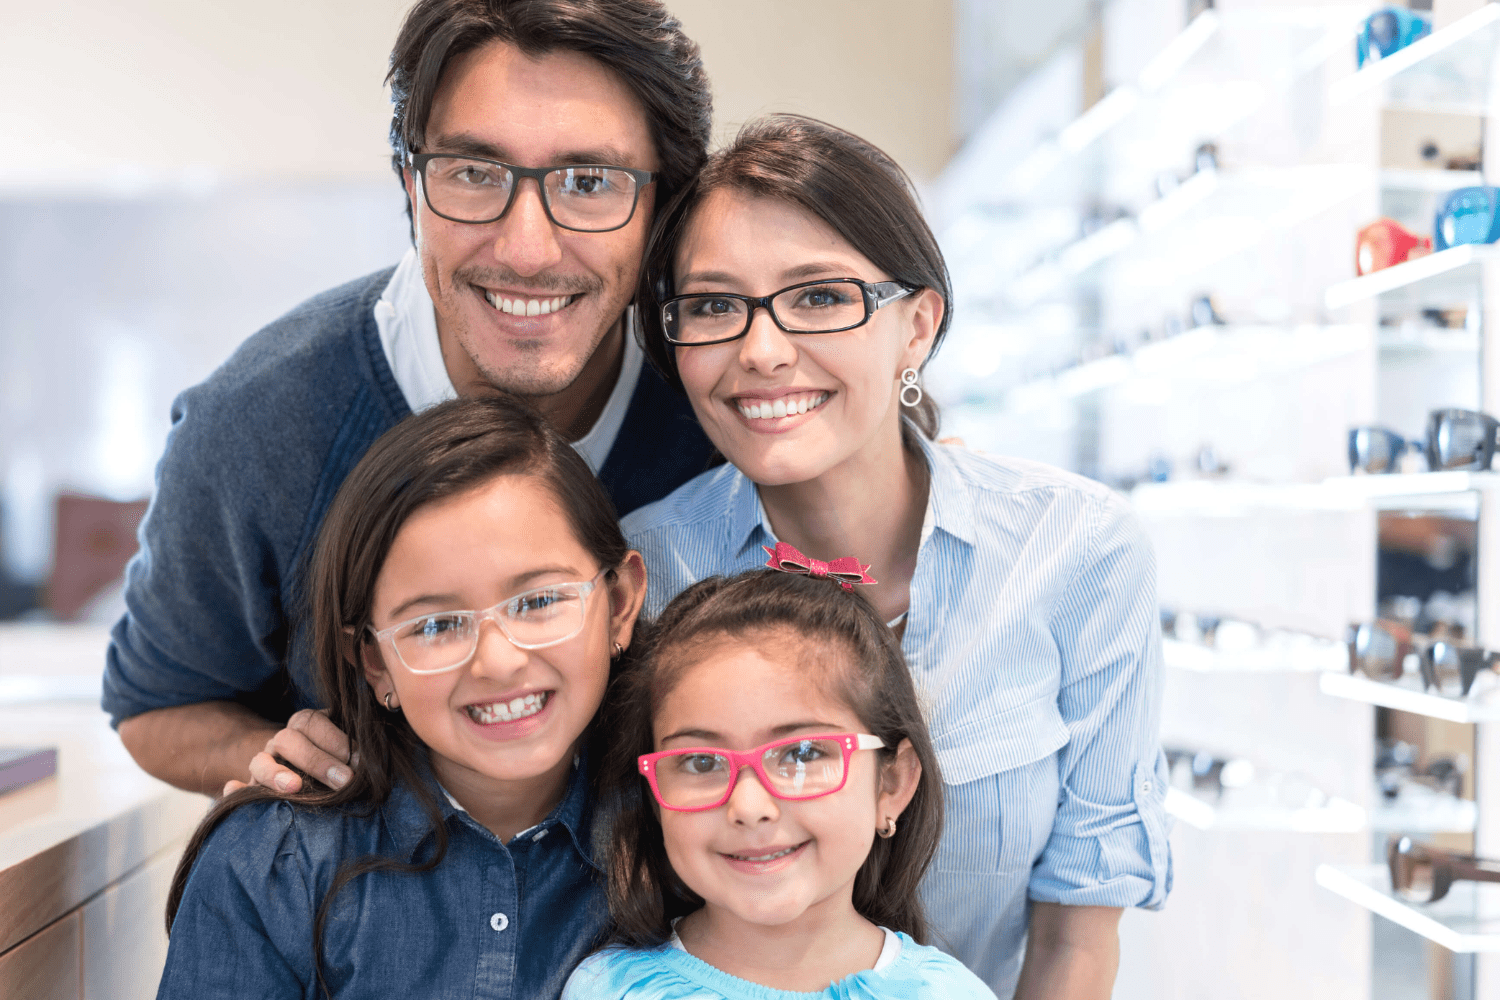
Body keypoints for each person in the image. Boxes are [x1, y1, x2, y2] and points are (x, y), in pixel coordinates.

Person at [619, 114, 1171, 998]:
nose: (761, 351)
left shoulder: (1078, 553)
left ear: (917, 328)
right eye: (716, 307)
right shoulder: (642, 572)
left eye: (819, 297)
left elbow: (1075, 938)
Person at [103, 0, 714, 797]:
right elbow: (158, 704)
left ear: (664, 207)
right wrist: (286, 758)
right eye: (472, 173)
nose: (527, 249)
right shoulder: (259, 425)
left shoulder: (721, 394)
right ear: (410, 185)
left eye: (590, 181)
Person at [158, 394, 647, 999]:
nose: (497, 661)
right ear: (374, 662)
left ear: (620, 604)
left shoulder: (689, 833)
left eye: (539, 601)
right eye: (436, 626)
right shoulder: (273, 863)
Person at [562, 569, 997, 1000]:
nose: (749, 806)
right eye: (700, 762)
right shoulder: (609, 990)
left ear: (892, 783)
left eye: (802, 754)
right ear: (654, 796)